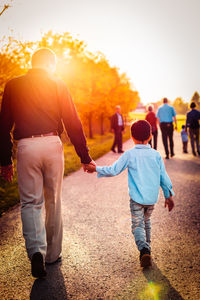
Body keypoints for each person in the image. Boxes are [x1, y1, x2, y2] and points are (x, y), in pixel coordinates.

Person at [0, 48, 95, 278]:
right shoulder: (58, 84)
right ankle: (52, 255)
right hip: (52, 143)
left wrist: (4, 160)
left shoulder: (13, 85)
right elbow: (73, 122)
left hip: (26, 146)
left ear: (32, 63)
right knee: (53, 200)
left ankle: (36, 252)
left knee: (31, 202)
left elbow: (3, 125)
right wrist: (85, 156)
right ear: (51, 64)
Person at [85, 120, 175, 268]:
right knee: (146, 222)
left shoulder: (130, 154)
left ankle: (144, 249)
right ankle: (147, 249)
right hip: (151, 199)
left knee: (137, 225)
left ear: (132, 137)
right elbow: (163, 177)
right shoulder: (156, 155)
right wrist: (168, 195)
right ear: (150, 136)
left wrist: (96, 169)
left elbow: (113, 170)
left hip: (136, 199)